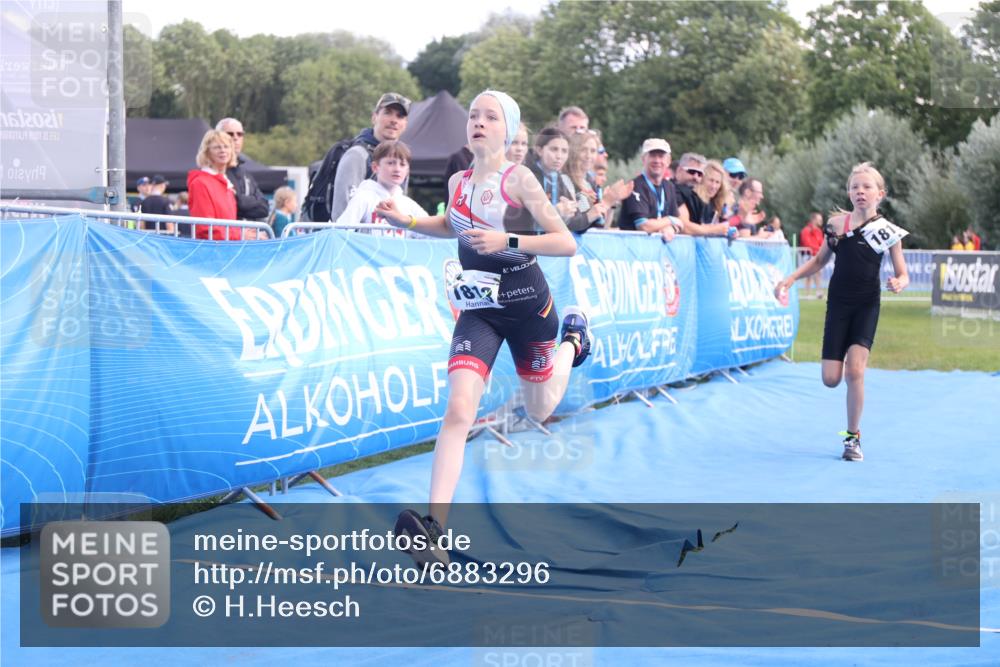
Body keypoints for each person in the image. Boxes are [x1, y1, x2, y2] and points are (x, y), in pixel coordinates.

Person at [376, 90, 593, 566]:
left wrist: (507, 239)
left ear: (507, 130)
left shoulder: (521, 180)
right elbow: (449, 226)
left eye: (490, 116)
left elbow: (565, 243)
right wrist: (407, 219)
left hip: (528, 306)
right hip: (479, 309)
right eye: (473, 115)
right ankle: (435, 529)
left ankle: (573, 341)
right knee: (459, 409)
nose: (478, 121)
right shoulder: (458, 180)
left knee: (540, 408)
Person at [775, 162, 909, 462]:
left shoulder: (888, 231)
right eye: (854, 187)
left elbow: (903, 273)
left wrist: (899, 282)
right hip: (838, 304)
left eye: (867, 187)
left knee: (855, 372)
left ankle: (852, 438)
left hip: (866, 305)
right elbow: (819, 261)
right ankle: (844, 364)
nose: (860, 191)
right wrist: (791, 278)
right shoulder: (836, 225)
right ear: (849, 192)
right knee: (831, 379)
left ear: (880, 194)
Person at [331, 92, 411, 221]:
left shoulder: (401, 160)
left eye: (400, 116)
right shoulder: (357, 155)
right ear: (374, 117)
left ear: (405, 124)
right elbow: (341, 215)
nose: (394, 120)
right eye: (388, 113)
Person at [335, 140, 428, 238]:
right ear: (375, 167)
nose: (397, 169)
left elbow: (430, 235)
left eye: (402, 164)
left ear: (407, 170)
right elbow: (341, 232)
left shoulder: (410, 206)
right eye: (391, 163)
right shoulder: (363, 198)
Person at [617, 138, 685, 242]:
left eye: (661, 156)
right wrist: (670, 220)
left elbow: (679, 223)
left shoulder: (669, 187)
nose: (657, 161)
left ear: (668, 161)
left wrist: (671, 228)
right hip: (632, 247)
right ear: (643, 159)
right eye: (652, 156)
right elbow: (643, 226)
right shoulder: (635, 186)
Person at [187, 129, 242, 240]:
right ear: (207, 152)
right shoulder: (200, 183)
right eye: (217, 147)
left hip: (227, 246)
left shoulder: (227, 184)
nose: (223, 150)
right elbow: (205, 229)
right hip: (212, 248)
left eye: (226, 146)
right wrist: (241, 235)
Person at [216, 118, 270, 221]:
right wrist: (250, 202)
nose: (235, 138)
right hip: (227, 229)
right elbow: (226, 205)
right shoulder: (214, 171)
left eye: (240, 134)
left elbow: (264, 208)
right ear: (217, 138)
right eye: (230, 134)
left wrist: (240, 200)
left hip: (245, 229)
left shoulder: (245, 174)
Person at [693, 160, 732, 225]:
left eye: (717, 182)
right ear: (702, 179)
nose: (713, 186)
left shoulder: (716, 203)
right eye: (711, 180)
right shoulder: (693, 200)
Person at [800, 212, 825, 298]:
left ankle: (818, 292)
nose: (821, 221)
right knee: (808, 275)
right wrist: (819, 249)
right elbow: (807, 243)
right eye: (819, 219)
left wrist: (820, 250)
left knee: (818, 273)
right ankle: (807, 294)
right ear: (814, 220)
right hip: (808, 255)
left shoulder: (819, 231)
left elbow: (822, 243)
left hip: (817, 255)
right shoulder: (806, 230)